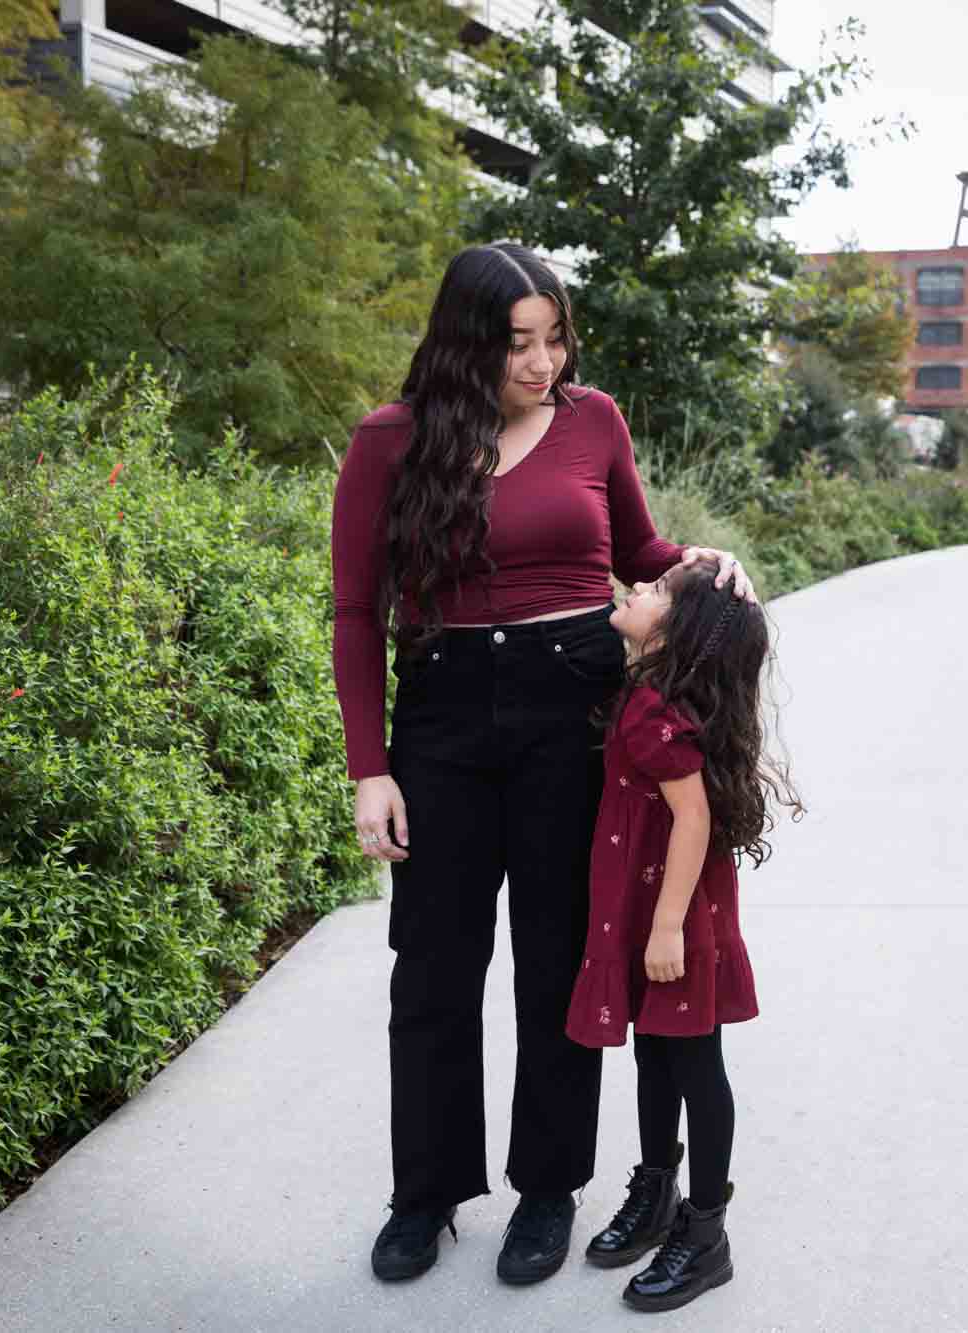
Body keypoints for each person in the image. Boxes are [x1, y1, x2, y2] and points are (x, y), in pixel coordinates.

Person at [329, 243, 751, 1286]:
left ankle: (547, 1188)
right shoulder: (392, 442)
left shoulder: (591, 419)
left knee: (559, 958)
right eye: (518, 341)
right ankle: (423, 1192)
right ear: (468, 339)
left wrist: (704, 564)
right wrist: (368, 766)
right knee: (432, 966)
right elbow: (353, 611)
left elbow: (639, 553)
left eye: (555, 336)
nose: (542, 362)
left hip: (576, 704)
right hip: (444, 712)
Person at [564, 558, 800, 1313]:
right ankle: (657, 1189)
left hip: (675, 919)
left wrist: (665, 927)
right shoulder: (647, 689)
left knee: (696, 1066)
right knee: (657, 1053)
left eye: (658, 591)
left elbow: (693, 820)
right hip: (654, 911)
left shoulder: (654, 711)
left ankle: (706, 1234)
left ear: (678, 631)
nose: (638, 588)